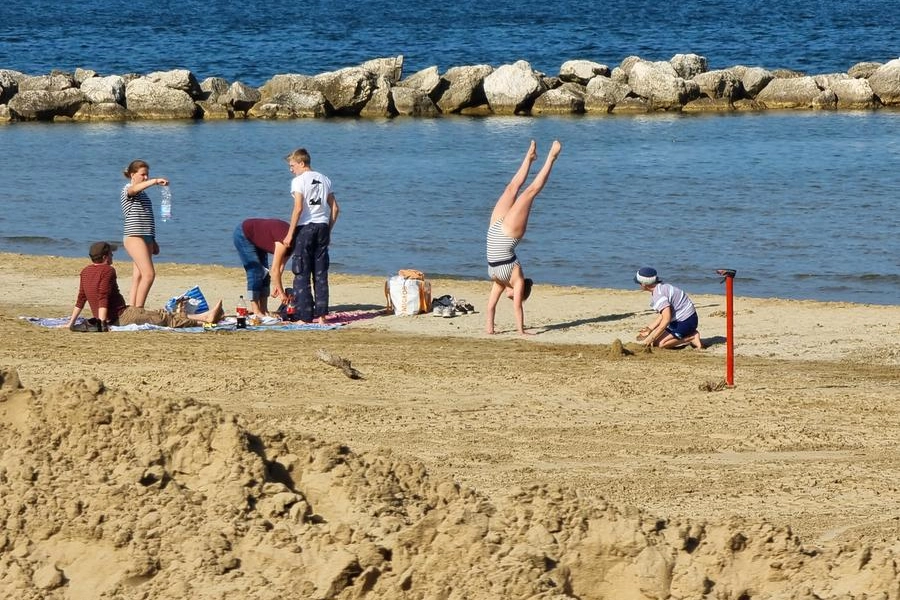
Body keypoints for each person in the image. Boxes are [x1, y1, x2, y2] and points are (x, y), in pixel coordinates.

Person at [485, 139, 562, 336]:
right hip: (509, 235)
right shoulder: (517, 279)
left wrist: (490, 329)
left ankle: (534, 158)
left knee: (512, 189)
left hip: (494, 230)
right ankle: (546, 158)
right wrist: (521, 331)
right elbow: (518, 308)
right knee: (527, 192)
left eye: (511, 297)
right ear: (521, 292)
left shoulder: (498, 281)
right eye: (513, 297)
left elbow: (490, 307)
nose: (510, 297)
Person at [66, 241, 224, 331]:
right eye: (111, 254)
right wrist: (101, 324)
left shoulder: (85, 271)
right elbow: (103, 296)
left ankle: (203, 317)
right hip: (121, 316)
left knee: (158, 314)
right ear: (106, 257)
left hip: (121, 313)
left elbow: (81, 298)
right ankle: (203, 321)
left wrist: (71, 323)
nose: (114, 256)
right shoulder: (108, 270)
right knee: (163, 318)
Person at [279, 148, 340, 324]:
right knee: (320, 273)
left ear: (301, 163)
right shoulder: (325, 179)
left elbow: (298, 208)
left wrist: (290, 234)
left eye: (292, 165)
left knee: (302, 272)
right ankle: (321, 316)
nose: (291, 169)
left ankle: (304, 316)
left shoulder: (299, 181)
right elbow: (335, 208)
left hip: (305, 227)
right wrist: (328, 229)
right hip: (322, 226)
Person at [121, 159, 167, 309]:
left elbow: (147, 216)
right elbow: (134, 190)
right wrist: (154, 181)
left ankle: (133, 308)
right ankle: (139, 309)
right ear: (133, 174)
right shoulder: (127, 189)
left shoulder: (144, 195)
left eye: (147, 175)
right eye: (143, 175)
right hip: (134, 236)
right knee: (149, 275)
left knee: (139, 276)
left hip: (146, 236)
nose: (145, 177)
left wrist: (153, 240)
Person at [233, 218, 293, 316]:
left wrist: (277, 285)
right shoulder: (284, 241)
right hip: (244, 233)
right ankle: (256, 310)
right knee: (256, 271)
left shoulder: (294, 246)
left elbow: (280, 267)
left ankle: (264, 309)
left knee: (265, 272)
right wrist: (281, 293)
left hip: (259, 238)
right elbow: (275, 269)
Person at [634, 267, 703, 349]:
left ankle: (691, 337)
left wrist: (652, 338)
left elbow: (666, 319)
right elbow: (663, 315)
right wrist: (650, 329)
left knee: (660, 344)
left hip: (687, 321)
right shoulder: (662, 287)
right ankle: (687, 334)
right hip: (680, 320)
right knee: (656, 342)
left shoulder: (659, 295)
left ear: (644, 284)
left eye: (639, 283)